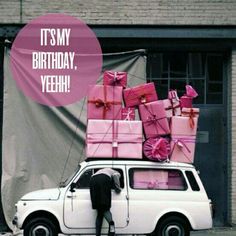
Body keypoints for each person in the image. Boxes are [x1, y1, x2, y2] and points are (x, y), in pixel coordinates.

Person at [89, 168, 121, 236]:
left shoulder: (103, 170)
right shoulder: (116, 172)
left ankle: (98, 234)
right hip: (103, 179)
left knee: (99, 211)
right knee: (105, 206)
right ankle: (111, 226)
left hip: (92, 180)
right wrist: (118, 188)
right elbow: (116, 177)